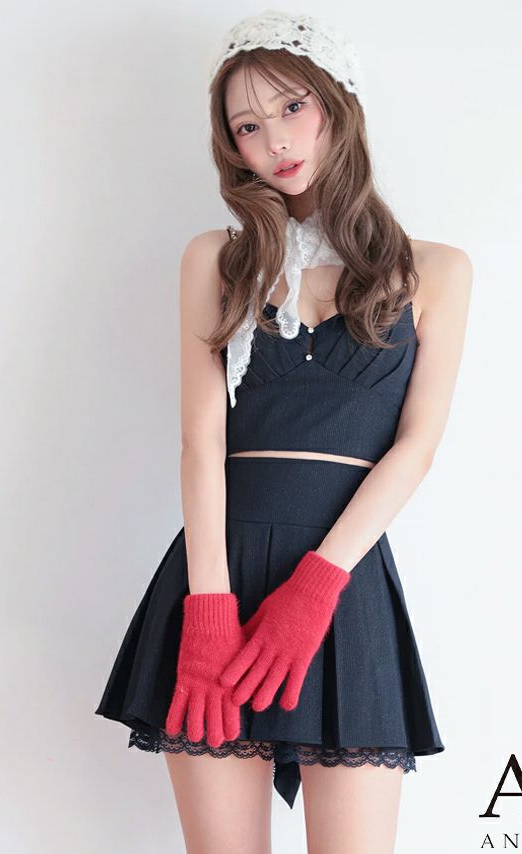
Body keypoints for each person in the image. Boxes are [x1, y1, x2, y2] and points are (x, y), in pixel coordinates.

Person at [95, 9, 472, 853]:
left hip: (343, 586)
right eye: (247, 126)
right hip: (216, 578)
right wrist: (207, 609)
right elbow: (201, 445)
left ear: (337, 104)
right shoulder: (218, 258)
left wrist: (316, 589)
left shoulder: (436, 270)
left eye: (291, 107)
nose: (274, 140)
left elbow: (417, 447)